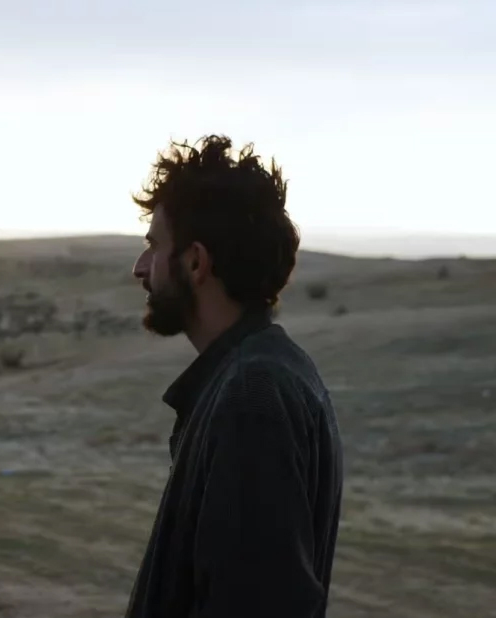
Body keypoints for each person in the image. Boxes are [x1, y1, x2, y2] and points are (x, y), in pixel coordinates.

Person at [125, 135, 343, 618]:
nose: (140, 268)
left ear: (195, 262)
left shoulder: (252, 395)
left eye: (153, 246)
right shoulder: (264, 372)